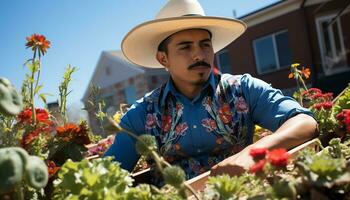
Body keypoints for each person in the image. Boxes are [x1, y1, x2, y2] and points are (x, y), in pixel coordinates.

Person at [104, 0, 317, 180]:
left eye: (205, 45)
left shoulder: (243, 89)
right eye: (186, 47)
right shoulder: (140, 116)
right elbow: (105, 175)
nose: (199, 54)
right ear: (163, 58)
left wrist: (254, 152)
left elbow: (304, 121)